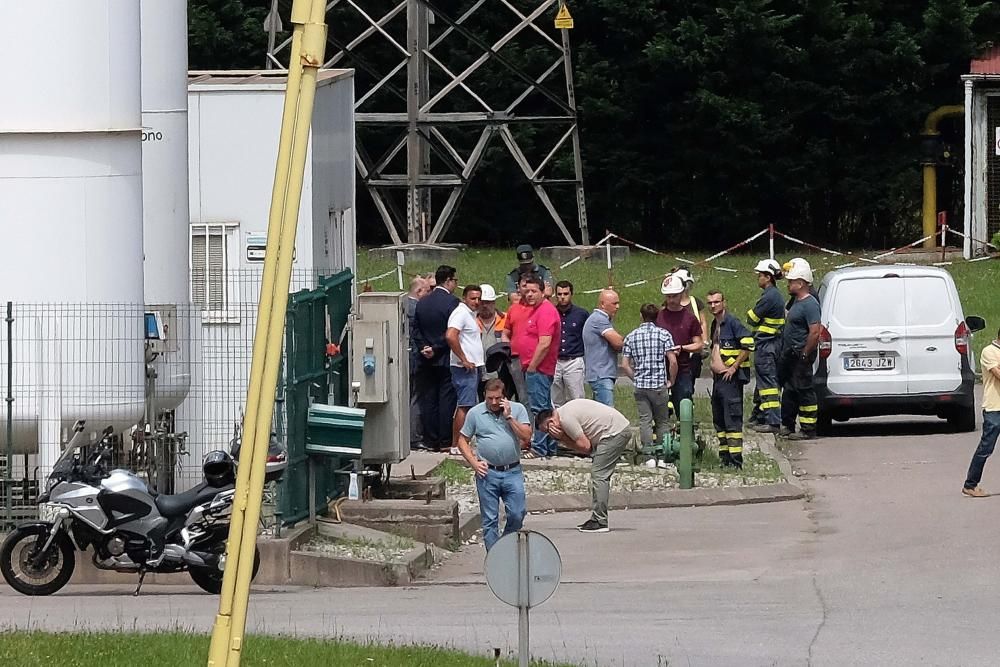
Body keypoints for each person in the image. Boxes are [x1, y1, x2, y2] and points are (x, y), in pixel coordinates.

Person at [456, 379, 533, 549]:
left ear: (504, 397)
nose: (493, 402)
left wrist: (510, 417)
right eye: (490, 398)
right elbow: (462, 440)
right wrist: (474, 463)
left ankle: (503, 546)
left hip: (512, 470)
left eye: (497, 398)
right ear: (485, 396)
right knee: (490, 519)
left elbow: (526, 436)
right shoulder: (475, 413)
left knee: (517, 513)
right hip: (487, 472)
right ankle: (494, 558)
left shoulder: (517, 409)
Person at [536, 399, 632, 533]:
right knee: (599, 473)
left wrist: (562, 438)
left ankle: (600, 520)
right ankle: (596, 517)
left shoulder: (566, 419)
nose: (550, 433)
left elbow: (585, 447)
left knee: (599, 474)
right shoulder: (565, 411)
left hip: (614, 432)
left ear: (551, 421)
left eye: (548, 429)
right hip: (616, 428)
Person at [511, 275, 561, 459]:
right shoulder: (534, 310)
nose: (529, 294)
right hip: (532, 367)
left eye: (534, 291)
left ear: (543, 292)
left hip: (539, 368)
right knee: (544, 407)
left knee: (539, 409)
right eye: (527, 291)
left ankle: (539, 448)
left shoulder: (546, 311)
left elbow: (545, 343)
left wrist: (532, 366)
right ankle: (550, 445)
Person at [622, 304, 677, 467]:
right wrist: (671, 380)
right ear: (657, 317)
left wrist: (636, 377)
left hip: (641, 385)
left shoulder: (631, 336)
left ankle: (648, 456)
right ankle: (662, 455)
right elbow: (672, 361)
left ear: (641, 316)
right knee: (662, 421)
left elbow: (625, 365)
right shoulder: (664, 335)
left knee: (645, 421)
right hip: (659, 384)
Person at [412, 265, 460, 451]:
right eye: (454, 281)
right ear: (448, 280)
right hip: (444, 357)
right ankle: (444, 439)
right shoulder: (452, 303)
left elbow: (416, 329)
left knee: (429, 399)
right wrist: (437, 347)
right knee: (446, 400)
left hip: (425, 358)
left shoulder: (422, 302)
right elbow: (451, 331)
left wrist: (424, 346)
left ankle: (430, 439)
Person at [707, 290, 755, 468]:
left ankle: (736, 461)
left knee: (732, 419)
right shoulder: (715, 324)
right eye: (710, 303)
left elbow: (749, 343)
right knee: (719, 419)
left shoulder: (732, 323)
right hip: (718, 380)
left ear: (724, 303)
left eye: (716, 302)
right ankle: (725, 457)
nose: (713, 305)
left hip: (730, 381)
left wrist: (734, 367)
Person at [779, 258, 821, 440]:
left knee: (804, 390)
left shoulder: (810, 304)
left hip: (801, 354)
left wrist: (805, 353)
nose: (788, 284)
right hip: (790, 353)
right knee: (790, 389)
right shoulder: (795, 301)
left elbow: (815, 332)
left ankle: (808, 428)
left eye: (791, 282)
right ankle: (787, 425)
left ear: (801, 283)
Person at [747, 259, 786, 434]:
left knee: (768, 385)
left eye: (760, 276)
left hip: (766, 345)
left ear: (768, 277)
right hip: (773, 344)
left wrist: (752, 312)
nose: (758, 279)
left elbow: (752, 318)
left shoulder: (769, 297)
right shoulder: (776, 295)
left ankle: (773, 422)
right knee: (764, 385)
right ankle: (760, 416)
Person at [446, 284, 484, 456]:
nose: (476, 302)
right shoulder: (460, 313)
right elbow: (450, 335)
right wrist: (464, 359)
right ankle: (456, 444)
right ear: (464, 298)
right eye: (473, 298)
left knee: (469, 405)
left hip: (472, 366)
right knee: (465, 406)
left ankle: (464, 441)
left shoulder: (470, 314)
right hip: (464, 368)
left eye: (478, 298)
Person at [656, 274, 704, 412]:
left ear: (681, 294)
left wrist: (683, 348)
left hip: (683, 370)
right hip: (659, 371)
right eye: (668, 296)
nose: (671, 300)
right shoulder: (658, 316)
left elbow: (699, 344)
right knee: (659, 411)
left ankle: (685, 431)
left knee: (684, 406)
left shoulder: (690, 318)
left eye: (674, 296)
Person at [963, 329, 1000, 497]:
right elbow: (997, 374)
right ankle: (971, 484)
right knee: (986, 447)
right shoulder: (989, 352)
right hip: (994, 407)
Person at [583, 289, 625, 406]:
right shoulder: (599, 319)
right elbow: (618, 343)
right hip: (601, 374)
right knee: (607, 413)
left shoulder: (600, 319)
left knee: (600, 413)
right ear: (602, 304)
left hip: (601, 374)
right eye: (614, 303)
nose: (617, 307)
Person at [551, 281, 589, 408]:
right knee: (555, 399)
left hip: (574, 361)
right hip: (554, 361)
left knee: (577, 398)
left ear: (571, 294)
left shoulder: (581, 314)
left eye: (566, 294)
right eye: (559, 294)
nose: (562, 297)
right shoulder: (550, 313)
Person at [671, 267, 709, 383]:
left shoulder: (696, 302)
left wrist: (705, 341)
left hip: (693, 349)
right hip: (675, 349)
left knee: (689, 382)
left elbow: (702, 322)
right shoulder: (669, 304)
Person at [407, 275, 431, 450]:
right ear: (419, 291)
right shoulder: (416, 309)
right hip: (415, 358)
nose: (429, 295)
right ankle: (414, 436)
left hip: (404, 357)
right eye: (427, 291)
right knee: (416, 397)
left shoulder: (403, 305)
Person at [476, 284, 507, 397]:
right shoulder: (470, 321)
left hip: (501, 373)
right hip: (478, 373)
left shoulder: (505, 319)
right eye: (482, 302)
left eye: (488, 302)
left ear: (494, 302)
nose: (484, 306)